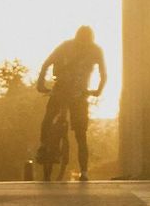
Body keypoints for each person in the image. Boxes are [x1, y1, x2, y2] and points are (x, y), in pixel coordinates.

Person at [34, 25, 106, 183]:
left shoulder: (66, 46)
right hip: (79, 94)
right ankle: (84, 172)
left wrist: (41, 84)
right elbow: (103, 74)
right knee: (81, 135)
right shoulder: (95, 50)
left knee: (49, 118)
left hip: (61, 91)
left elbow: (46, 64)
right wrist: (97, 91)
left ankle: (43, 146)